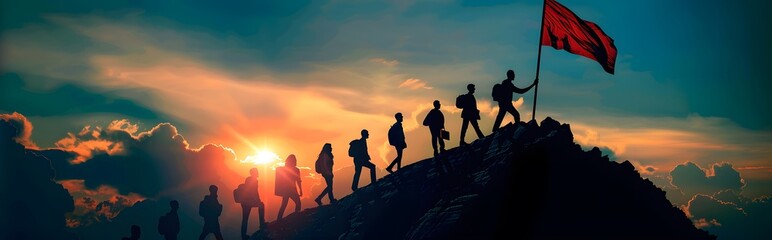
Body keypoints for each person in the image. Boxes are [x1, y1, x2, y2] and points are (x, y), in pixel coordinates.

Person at [240, 168, 266, 240]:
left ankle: (243, 236)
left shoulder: (248, 179)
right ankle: (262, 224)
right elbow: (254, 192)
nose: (258, 173)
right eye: (257, 171)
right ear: (254, 173)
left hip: (245, 201)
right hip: (249, 201)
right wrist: (258, 201)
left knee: (245, 218)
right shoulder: (254, 180)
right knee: (261, 206)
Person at [275, 154, 302, 220]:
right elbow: (298, 181)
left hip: (286, 190)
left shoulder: (284, 169)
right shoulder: (296, 170)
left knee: (284, 205)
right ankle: (296, 217)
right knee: (298, 203)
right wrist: (301, 190)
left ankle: (279, 219)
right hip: (292, 189)